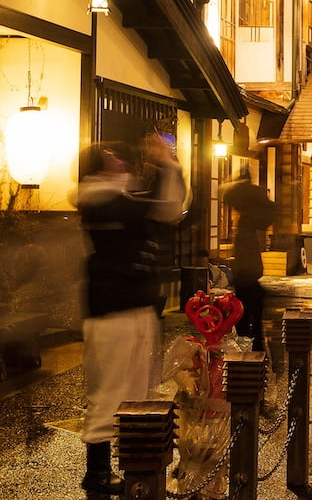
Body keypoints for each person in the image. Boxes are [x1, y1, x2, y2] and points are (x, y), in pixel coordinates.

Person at [70, 141, 183, 496]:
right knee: (110, 394)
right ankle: (99, 473)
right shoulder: (99, 200)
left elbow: (165, 208)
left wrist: (167, 168)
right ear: (96, 168)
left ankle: (135, 469)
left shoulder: (116, 199)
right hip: (114, 313)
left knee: (133, 392)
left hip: (130, 308)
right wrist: (166, 166)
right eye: (110, 157)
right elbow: (164, 209)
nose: (120, 161)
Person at [136, 130, 190, 314]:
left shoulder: (168, 170)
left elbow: (171, 205)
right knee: (155, 280)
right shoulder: (163, 169)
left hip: (159, 231)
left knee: (156, 281)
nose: (149, 150)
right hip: (157, 232)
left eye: (152, 146)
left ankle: (154, 315)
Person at [223, 169, 276, 353]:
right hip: (250, 277)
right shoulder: (251, 224)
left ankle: (249, 351)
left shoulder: (245, 227)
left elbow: (227, 192)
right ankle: (257, 348)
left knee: (245, 318)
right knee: (255, 318)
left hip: (245, 278)